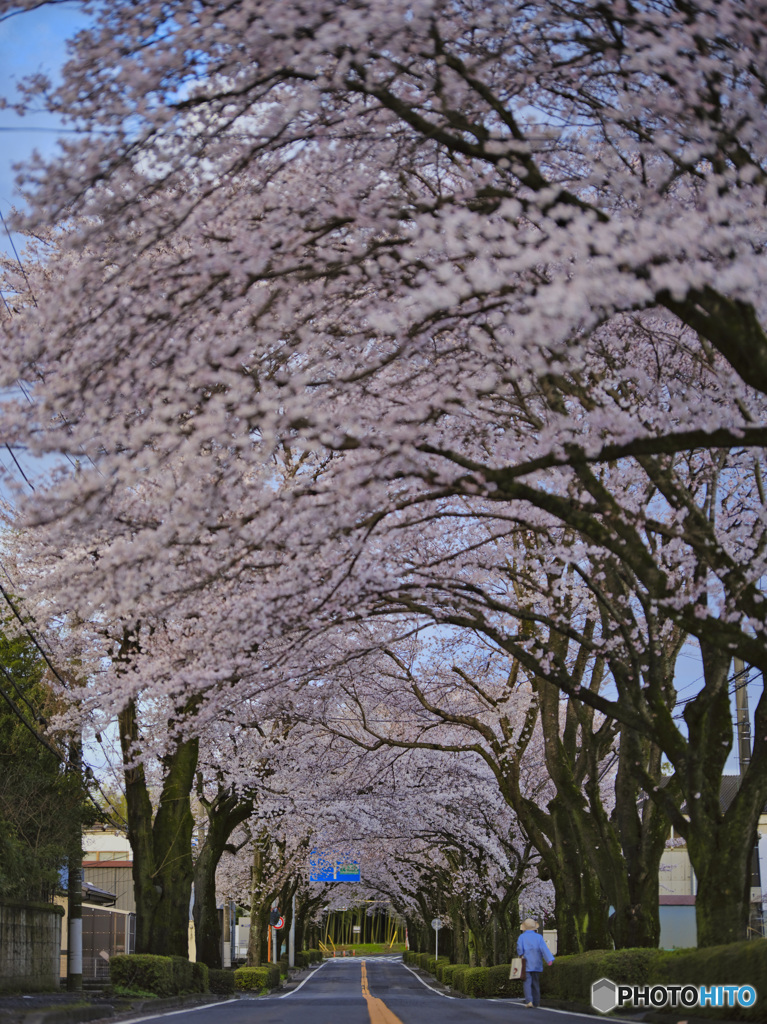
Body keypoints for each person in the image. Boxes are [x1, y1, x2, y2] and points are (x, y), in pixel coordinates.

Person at [517, 919, 554, 1008]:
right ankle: (536, 1001)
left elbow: (519, 949)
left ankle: (529, 1000)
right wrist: (549, 959)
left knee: (527, 982)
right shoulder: (539, 937)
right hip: (537, 962)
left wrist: (521, 954)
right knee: (535, 983)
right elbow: (544, 949)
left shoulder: (522, 937)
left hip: (526, 962)